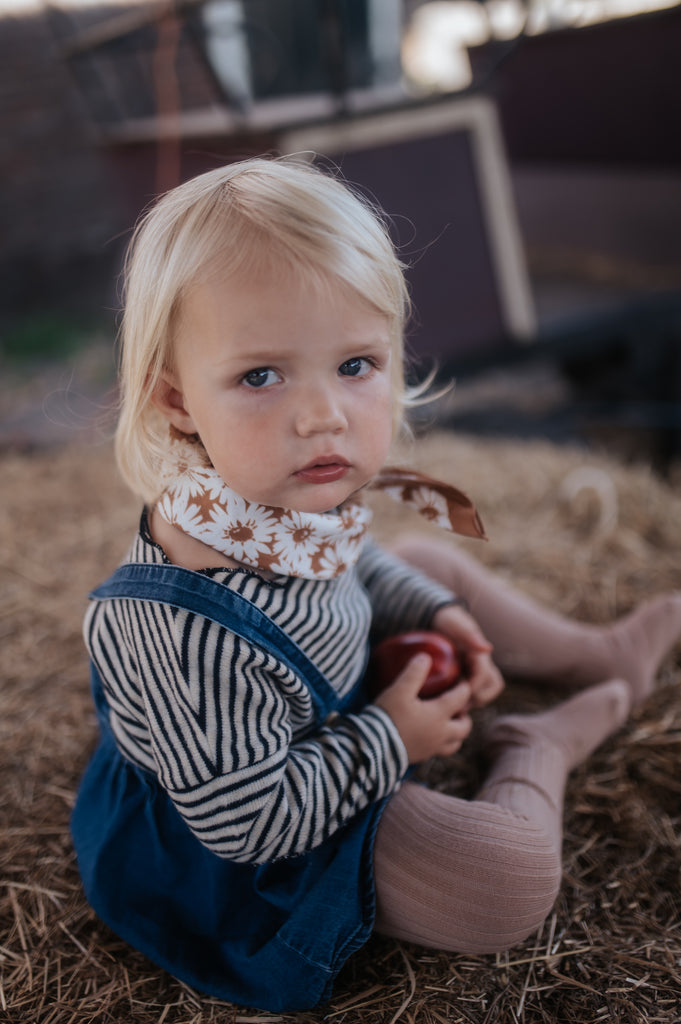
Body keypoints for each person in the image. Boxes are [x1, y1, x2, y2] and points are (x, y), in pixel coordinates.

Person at [72, 156, 681, 1012]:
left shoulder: (277, 487)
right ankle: (532, 747)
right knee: (501, 882)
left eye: (356, 364)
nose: (322, 413)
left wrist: (432, 612)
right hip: (256, 839)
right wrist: (390, 735)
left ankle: (589, 653)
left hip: (324, 712)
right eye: (260, 375)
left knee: (425, 568)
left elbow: (349, 558)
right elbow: (250, 823)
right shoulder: (178, 634)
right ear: (176, 402)